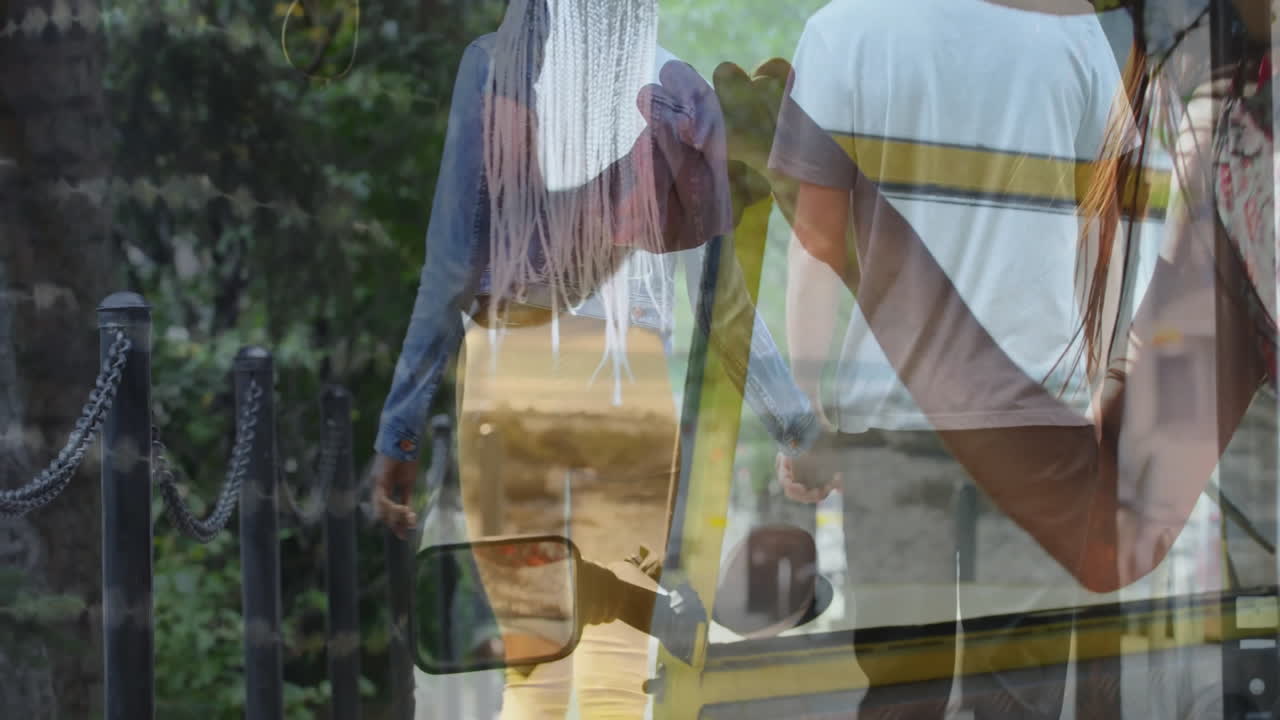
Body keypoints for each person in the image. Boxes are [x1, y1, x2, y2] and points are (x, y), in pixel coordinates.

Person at [772, 0, 1273, 715]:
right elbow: (1101, 243)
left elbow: (816, 244)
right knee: (1019, 695)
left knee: (900, 689)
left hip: (892, 424)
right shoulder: (1073, 38)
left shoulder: (843, 30)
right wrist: (1090, 392)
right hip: (1039, 429)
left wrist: (809, 411)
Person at [369, 1, 820, 717]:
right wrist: (798, 426)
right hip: (626, 387)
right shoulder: (677, 85)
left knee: (534, 662)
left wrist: (400, 429)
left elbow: (451, 266)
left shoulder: (495, 67)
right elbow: (722, 300)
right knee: (615, 668)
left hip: (512, 377)